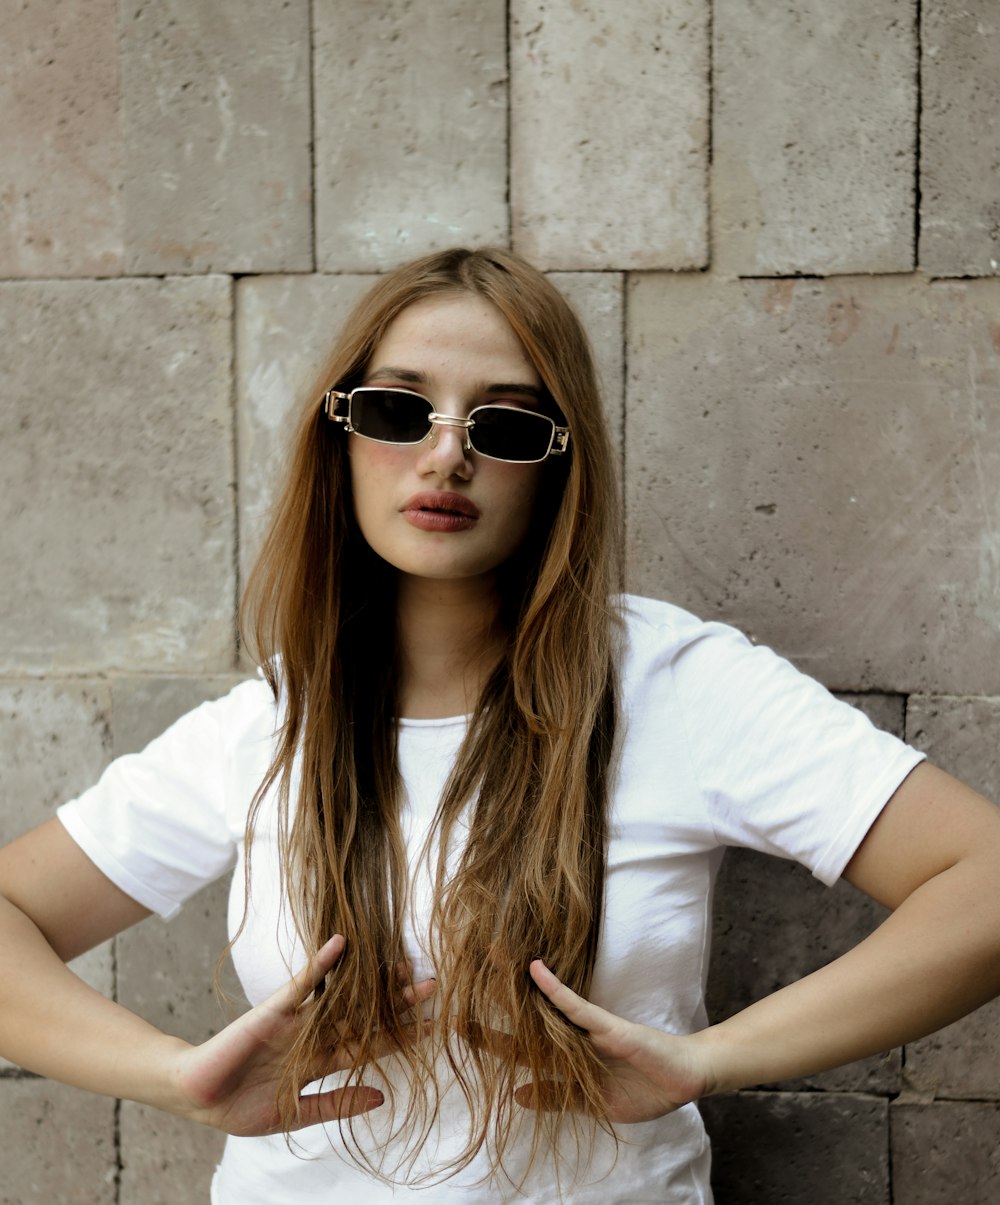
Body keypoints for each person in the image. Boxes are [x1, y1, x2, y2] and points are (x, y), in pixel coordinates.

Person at [1, 246, 999, 1204]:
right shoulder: (270, 722)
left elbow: (982, 882)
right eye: (399, 409)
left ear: (557, 467)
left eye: (506, 425)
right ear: (338, 434)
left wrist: (710, 1058)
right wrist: (172, 1073)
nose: (447, 453)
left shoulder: (674, 685)